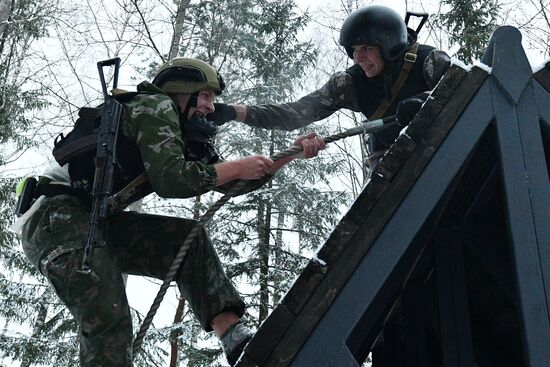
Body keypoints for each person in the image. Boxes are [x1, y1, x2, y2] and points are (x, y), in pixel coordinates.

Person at [17, 58, 325, 366]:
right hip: (55, 218)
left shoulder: (185, 135)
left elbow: (232, 182)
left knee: (186, 241)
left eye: (213, 99)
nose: (210, 106)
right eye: (205, 95)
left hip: (94, 220)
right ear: (181, 90)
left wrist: (290, 154)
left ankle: (235, 340)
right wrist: (235, 167)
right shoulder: (154, 106)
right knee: (108, 316)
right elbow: (172, 178)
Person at [208, 5, 451, 174]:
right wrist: (236, 113)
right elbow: (295, 113)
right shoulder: (349, 84)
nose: (358, 58)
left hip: (446, 146)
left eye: (366, 49)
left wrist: (427, 101)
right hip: (392, 162)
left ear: (386, 44)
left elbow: (466, 95)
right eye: (353, 51)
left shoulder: (429, 62)